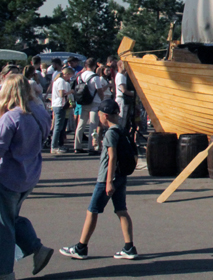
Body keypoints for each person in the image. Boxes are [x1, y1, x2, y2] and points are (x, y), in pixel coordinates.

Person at [60, 99, 138, 261]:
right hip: (121, 176)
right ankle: (129, 247)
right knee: (121, 210)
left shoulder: (110, 133)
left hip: (106, 178)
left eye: (100, 115)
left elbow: (112, 157)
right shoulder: (122, 131)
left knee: (92, 211)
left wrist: (108, 181)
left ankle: (81, 247)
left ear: (105, 115)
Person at [0, 74, 54, 278]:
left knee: (4, 226)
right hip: (29, 175)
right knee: (10, 218)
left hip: (7, 177)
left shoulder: (11, 117)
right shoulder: (40, 112)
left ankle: (5, 272)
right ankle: (36, 248)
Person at [74, 58, 108, 155]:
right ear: (94, 66)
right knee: (93, 125)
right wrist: (102, 100)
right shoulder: (95, 77)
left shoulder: (80, 76)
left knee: (81, 124)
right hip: (94, 102)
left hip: (84, 102)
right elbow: (99, 90)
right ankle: (92, 147)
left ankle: (77, 146)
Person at [50, 67, 75, 154]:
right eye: (70, 76)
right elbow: (62, 94)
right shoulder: (61, 81)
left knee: (59, 127)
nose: (70, 78)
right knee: (58, 127)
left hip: (58, 104)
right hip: (59, 104)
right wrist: (70, 92)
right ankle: (54, 146)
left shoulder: (58, 80)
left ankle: (57, 145)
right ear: (67, 74)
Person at [115, 61, 134, 130]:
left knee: (124, 118)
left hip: (122, 99)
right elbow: (124, 90)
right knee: (121, 118)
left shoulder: (122, 76)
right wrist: (133, 94)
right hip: (121, 99)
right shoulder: (120, 76)